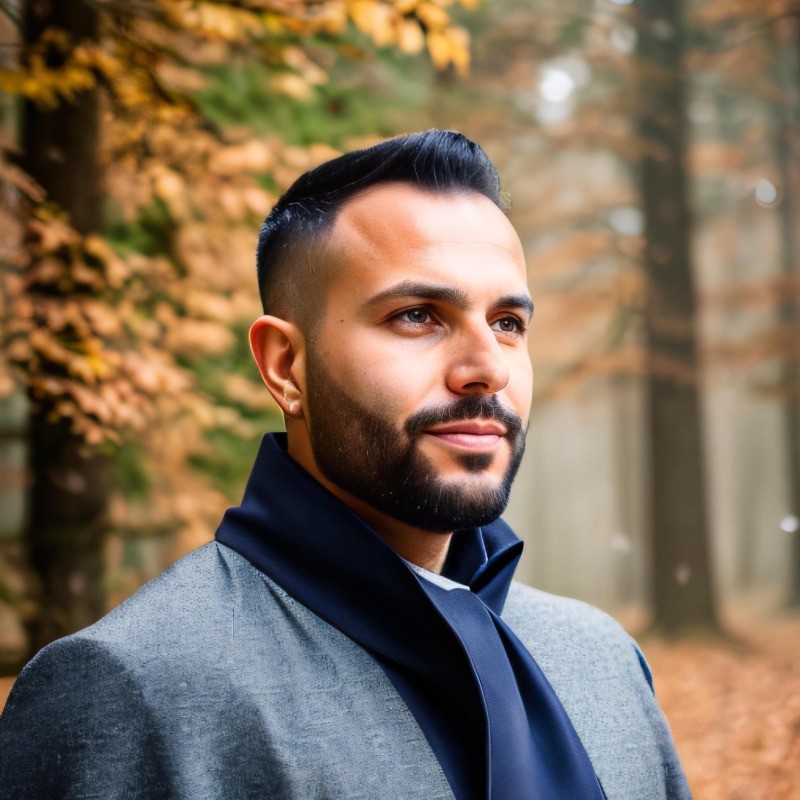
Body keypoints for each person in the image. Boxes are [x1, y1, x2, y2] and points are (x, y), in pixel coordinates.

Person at [0, 130, 691, 800]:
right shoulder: (136, 688)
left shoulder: (601, 663)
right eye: (418, 315)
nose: (487, 369)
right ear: (286, 367)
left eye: (508, 323)